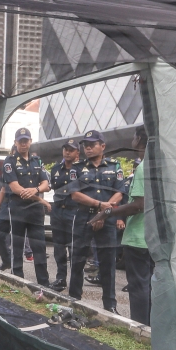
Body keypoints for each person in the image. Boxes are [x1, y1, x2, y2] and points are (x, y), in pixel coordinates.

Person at [88, 126, 153, 324]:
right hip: (152, 237)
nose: (132, 140)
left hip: (138, 239)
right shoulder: (156, 165)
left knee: (138, 286)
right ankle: (150, 327)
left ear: (140, 139)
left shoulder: (143, 167)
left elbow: (139, 205)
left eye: (134, 137)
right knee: (149, 285)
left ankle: (140, 327)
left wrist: (107, 212)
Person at [68, 129, 126, 309]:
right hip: (84, 218)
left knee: (108, 263)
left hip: (107, 220)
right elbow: (74, 194)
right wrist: (99, 205)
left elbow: (120, 192)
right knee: (77, 260)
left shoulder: (114, 166)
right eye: (85, 145)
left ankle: (110, 306)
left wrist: (103, 212)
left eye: (92, 145)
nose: (88, 148)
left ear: (103, 146)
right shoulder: (77, 168)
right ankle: (74, 301)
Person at [1, 128, 51, 285]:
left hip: (35, 211)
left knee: (39, 247)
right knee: (17, 247)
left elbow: (46, 184)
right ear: (15, 143)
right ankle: (17, 281)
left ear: (30, 142)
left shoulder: (37, 161)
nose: (23, 144)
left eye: (26, 140)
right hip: (18, 209)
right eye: (20, 141)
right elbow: (16, 188)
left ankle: (44, 283)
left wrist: (36, 190)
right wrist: (40, 198)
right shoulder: (9, 162)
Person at [48, 138, 79, 292]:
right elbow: (54, 187)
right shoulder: (56, 169)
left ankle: (75, 280)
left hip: (74, 212)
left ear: (77, 153)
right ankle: (61, 279)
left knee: (74, 248)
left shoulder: (81, 169)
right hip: (58, 211)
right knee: (59, 247)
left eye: (71, 149)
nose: (67, 152)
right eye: (65, 149)